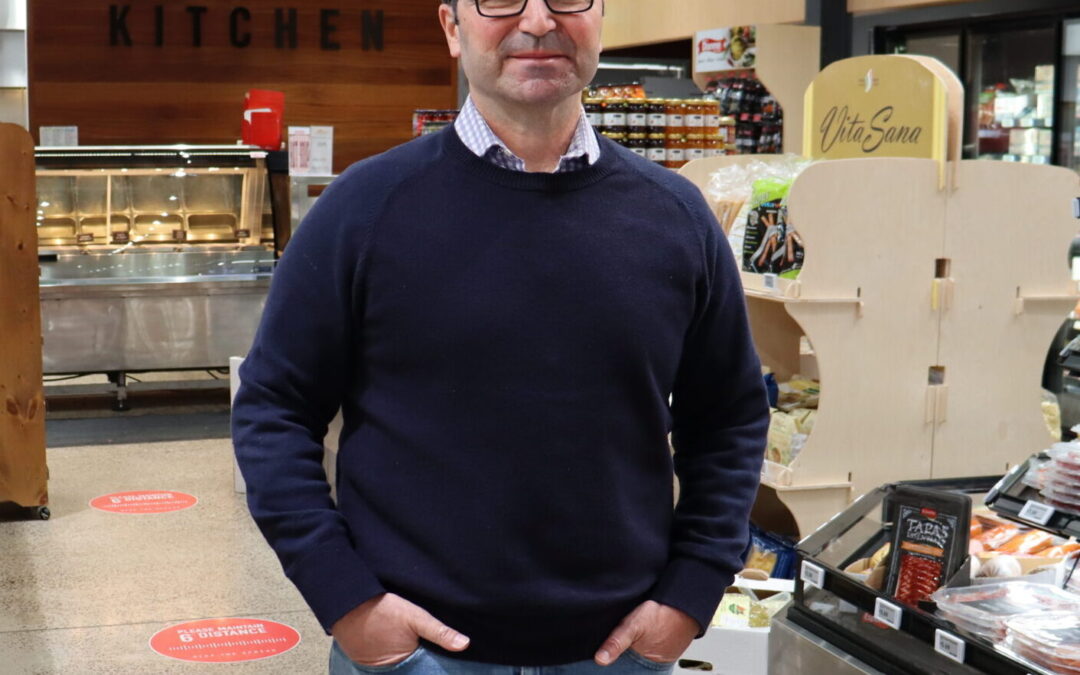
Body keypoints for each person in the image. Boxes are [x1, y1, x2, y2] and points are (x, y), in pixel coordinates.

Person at [231, 0, 769, 672]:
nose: (538, 21)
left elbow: (728, 416)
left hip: (620, 652)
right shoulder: (363, 209)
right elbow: (274, 407)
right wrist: (346, 598)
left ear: (601, 18)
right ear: (452, 27)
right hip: (416, 654)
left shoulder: (676, 215)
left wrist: (691, 593)